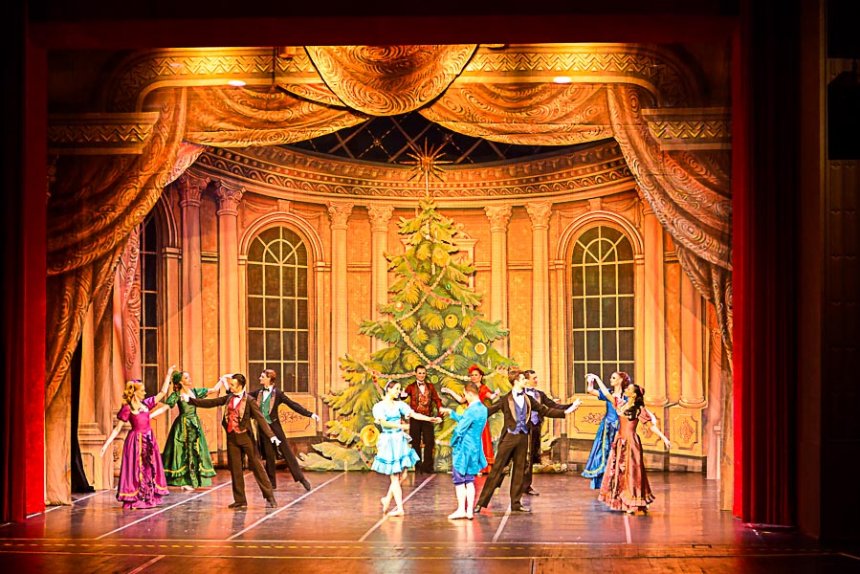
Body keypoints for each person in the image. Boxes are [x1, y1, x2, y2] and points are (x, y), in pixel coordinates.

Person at [474, 368, 581, 514]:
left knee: (519, 471)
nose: (526, 381)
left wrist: (566, 411)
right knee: (497, 470)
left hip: (523, 438)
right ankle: (481, 503)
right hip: (509, 438)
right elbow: (489, 411)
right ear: (516, 381)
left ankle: (516, 503)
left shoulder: (528, 399)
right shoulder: (505, 399)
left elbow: (545, 410)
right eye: (523, 379)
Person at [185, 373, 281, 509]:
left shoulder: (250, 401)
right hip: (232, 438)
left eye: (233, 385)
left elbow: (260, 419)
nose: (230, 387)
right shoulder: (229, 397)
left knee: (258, 468)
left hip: (246, 438)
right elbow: (212, 402)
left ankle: (270, 497)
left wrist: (271, 436)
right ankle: (240, 500)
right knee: (236, 470)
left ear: (241, 386)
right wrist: (191, 401)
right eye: (230, 384)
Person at [597, 379, 671, 515]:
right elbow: (607, 394)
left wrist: (664, 437)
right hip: (619, 441)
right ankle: (622, 501)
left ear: (634, 395)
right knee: (619, 472)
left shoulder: (639, 409)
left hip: (631, 442)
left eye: (629, 389)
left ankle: (633, 502)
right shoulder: (621, 404)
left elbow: (651, 426)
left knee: (631, 472)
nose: (626, 390)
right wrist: (597, 379)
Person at [372, 379, 442, 517]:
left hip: (399, 440)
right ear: (389, 389)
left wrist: (429, 419)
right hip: (390, 441)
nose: (399, 392)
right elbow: (384, 423)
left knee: (403, 475)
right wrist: (401, 426)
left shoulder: (399, 405)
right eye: (396, 389)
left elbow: (414, 414)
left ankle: (387, 499)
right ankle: (399, 508)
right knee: (395, 477)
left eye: (399, 389)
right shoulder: (379, 407)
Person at [100, 378, 171, 509]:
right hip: (135, 441)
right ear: (135, 392)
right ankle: (136, 498)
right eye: (142, 391)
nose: (145, 393)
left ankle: (148, 497)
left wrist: (169, 374)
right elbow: (117, 429)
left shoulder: (146, 404)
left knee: (149, 467)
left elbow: (162, 392)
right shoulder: (128, 408)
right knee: (137, 469)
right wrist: (106, 444)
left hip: (148, 439)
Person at [249, 369, 320, 491]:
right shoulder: (258, 393)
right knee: (269, 456)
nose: (260, 378)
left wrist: (310, 414)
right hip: (263, 429)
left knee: (287, 453)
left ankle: (301, 479)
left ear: (269, 379)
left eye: (262, 376)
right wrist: (229, 389)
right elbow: (243, 396)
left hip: (275, 427)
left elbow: (293, 405)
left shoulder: (278, 393)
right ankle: (271, 483)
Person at [160, 366, 223, 490]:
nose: (189, 379)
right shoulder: (177, 395)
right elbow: (165, 407)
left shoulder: (194, 392)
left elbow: (214, 390)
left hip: (194, 424)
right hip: (182, 425)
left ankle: (194, 480)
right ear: (181, 381)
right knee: (182, 451)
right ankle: (183, 481)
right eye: (186, 377)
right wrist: (150, 415)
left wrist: (222, 380)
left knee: (195, 450)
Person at [521, 369, 572, 497]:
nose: (536, 380)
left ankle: (526, 486)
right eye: (534, 378)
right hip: (523, 428)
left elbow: (553, 405)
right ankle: (517, 485)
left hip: (535, 427)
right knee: (522, 457)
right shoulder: (520, 394)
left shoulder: (539, 394)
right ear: (526, 380)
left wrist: (570, 406)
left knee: (531, 457)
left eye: (536, 378)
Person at [442, 381, 488, 520]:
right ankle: (469, 511)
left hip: (464, 448)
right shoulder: (483, 409)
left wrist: (453, 442)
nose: (464, 397)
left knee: (459, 478)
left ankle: (461, 509)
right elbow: (466, 420)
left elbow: (460, 428)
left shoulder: (471, 410)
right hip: (475, 446)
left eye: (465, 394)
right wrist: (451, 413)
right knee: (469, 479)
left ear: (470, 393)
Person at [441, 364, 498, 474]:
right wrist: (449, 391)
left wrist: (495, 393)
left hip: (478, 416)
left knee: (479, 441)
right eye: (472, 375)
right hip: (469, 415)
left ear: (481, 376)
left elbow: (491, 396)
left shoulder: (483, 388)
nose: (474, 377)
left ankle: (479, 467)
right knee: (469, 442)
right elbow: (461, 400)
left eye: (476, 375)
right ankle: (470, 466)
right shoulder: (468, 389)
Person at [581, 371, 629, 490]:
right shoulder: (609, 392)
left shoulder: (625, 396)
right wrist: (590, 382)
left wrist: (597, 378)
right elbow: (591, 390)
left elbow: (611, 398)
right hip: (607, 426)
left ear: (620, 380)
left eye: (614, 378)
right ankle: (604, 481)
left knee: (617, 453)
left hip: (619, 427)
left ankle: (617, 481)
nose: (611, 379)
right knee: (603, 451)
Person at [401, 365, 443, 473]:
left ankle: (427, 467)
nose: (421, 375)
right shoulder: (411, 387)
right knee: (415, 442)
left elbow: (437, 400)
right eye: (419, 373)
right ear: (415, 374)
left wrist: (440, 413)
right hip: (415, 418)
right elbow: (403, 396)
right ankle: (418, 466)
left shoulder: (430, 387)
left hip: (427, 417)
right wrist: (402, 394)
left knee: (429, 442)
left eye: (423, 373)